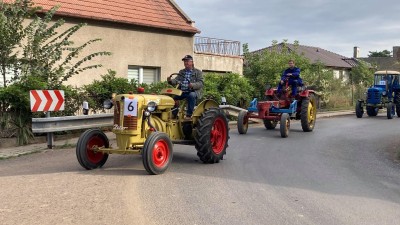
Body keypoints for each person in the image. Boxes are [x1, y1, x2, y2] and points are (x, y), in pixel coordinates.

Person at [167, 55, 204, 119]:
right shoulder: (182, 72)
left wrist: (192, 85)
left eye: (187, 61)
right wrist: (170, 81)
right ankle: (173, 114)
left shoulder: (198, 72)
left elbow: (201, 83)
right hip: (182, 92)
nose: (185, 63)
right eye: (184, 61)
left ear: (192, 62)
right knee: (173, 98)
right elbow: (176, 80)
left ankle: (189, 115)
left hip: (193, 91)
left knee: (191, 95)